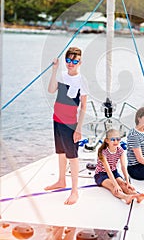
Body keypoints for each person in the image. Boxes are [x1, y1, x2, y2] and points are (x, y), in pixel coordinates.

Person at [45, 46, 87, 205]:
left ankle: (74, 191)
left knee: (72, 157)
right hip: (57, 120)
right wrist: (54, 70)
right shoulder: (62, 76)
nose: (71, 64)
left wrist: (79, 128)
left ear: (80, 62)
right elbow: (51, 90)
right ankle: (61, 180)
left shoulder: (82, 81)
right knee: (61, 153)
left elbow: (83, 106)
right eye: (68, 60)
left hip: (70, 124)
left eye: (74, 61)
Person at [94, 129, 144, 204]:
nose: (116, 142)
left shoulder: (120, 150)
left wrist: (127, 182)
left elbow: (123, 167)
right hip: (101, 174)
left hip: (114, 172)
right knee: (114, 187)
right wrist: (115, 185)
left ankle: (136, 195)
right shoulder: (103, 152)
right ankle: (126, 197)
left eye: (118, 139)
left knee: (123, 184)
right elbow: (108, 170)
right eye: (113, 139)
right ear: (107, 140)